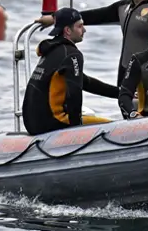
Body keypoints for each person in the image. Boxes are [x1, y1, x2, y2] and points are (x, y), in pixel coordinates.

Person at [22, 7, 118, 136]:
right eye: (80, 26)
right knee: (113, 127)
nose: (84, 30)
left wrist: (120, 92)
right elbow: (75, 93)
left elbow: (85, 82)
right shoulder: (72, 54)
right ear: (67, 30)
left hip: (32, 123)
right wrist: (76, 131)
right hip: (52, 122)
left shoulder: (52, 49)